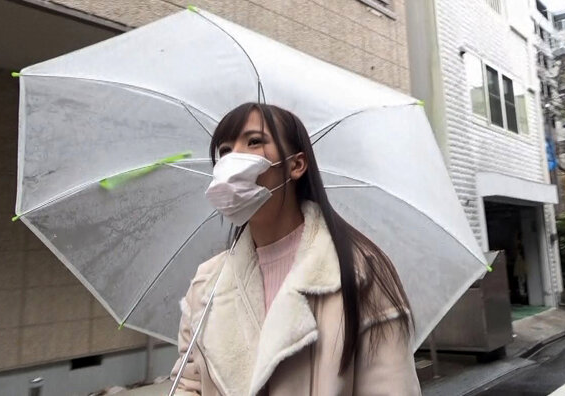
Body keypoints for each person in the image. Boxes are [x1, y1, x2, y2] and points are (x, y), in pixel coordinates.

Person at [170, 102, 421, 395]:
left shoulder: (359, 271)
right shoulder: (206, 285)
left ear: (296, 165)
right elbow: (189, 383)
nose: (233, 157)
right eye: (225, 151)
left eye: (254, 141)